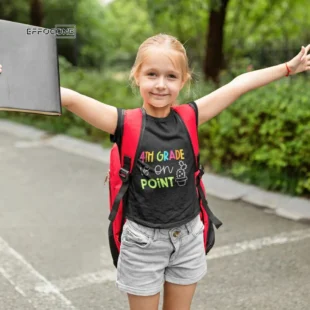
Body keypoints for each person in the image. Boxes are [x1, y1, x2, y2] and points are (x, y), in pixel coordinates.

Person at [0, 34, 309, 310]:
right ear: (137, 77)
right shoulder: (123, 122)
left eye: (171, 76)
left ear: (184, 80)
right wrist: (10, 82)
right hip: (142, 242)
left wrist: (287, 68)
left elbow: (238, 84)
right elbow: (68, 97)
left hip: (188, 237)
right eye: (152, 74)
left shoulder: (190, 117)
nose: (161, 84)